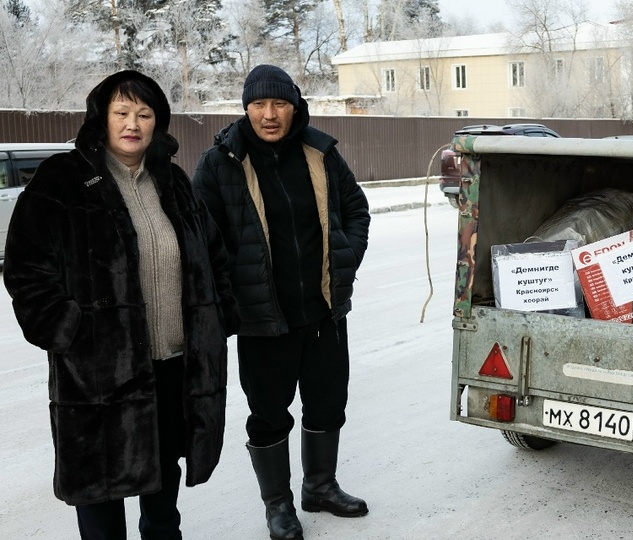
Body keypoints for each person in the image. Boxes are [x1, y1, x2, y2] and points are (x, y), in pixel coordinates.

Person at [3, 70, 237, 539]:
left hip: (171, 369)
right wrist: (68, 330)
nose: (133, 123)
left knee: (163, 509)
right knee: (101, 511)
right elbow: (26, 268)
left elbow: (212, 253)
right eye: (122, 112)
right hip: (96, 379)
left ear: (158, 123)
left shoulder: (171, 182)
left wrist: (218, 314)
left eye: (145, 114)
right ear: (101, 118)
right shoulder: (63, 180)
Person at [191, 64, 371, 540]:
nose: (269, 115)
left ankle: (320, 487)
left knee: (328, 403)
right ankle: (279, 505)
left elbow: (355, 208)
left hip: (324, 312)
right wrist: (230, 295)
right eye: (258, 105)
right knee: (269, 414)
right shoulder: (220, 163)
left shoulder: (320, 151)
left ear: (295, 106)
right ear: (246, 108)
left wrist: (347, 255)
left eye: (279, 105)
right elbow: (201, 239)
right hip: (262, 321)